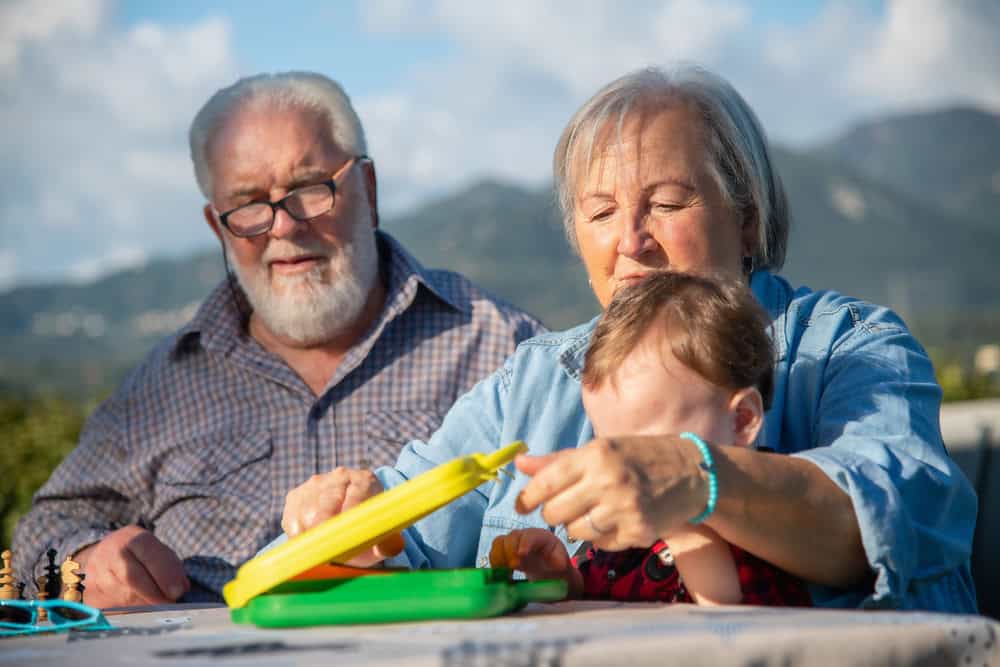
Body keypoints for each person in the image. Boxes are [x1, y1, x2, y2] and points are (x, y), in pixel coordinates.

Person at [279, 65, 977, 612]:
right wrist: (349, 524)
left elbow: (886, 522)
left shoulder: (849, 348)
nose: (630, 242)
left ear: (747, 217)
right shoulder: (536, 379)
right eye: (602, 212)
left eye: (668, 203)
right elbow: (408, 526)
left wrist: (695, 475)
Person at [12, 72, 545, 607]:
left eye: (310, 188)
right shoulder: (162, 388)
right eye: (247, 203)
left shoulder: (506, 350)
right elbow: (43, 530)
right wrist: (86, 561)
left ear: (369, 189)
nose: (283, 227)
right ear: (217, 227)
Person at [490, 271, 810, 606]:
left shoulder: (757, 517)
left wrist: (680, 521)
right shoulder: (629, 530)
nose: (621, 465)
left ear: (742, 420)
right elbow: (608, 600)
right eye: (606, 443)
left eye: (645, 448)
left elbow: (722, 611)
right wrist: (562, 579)